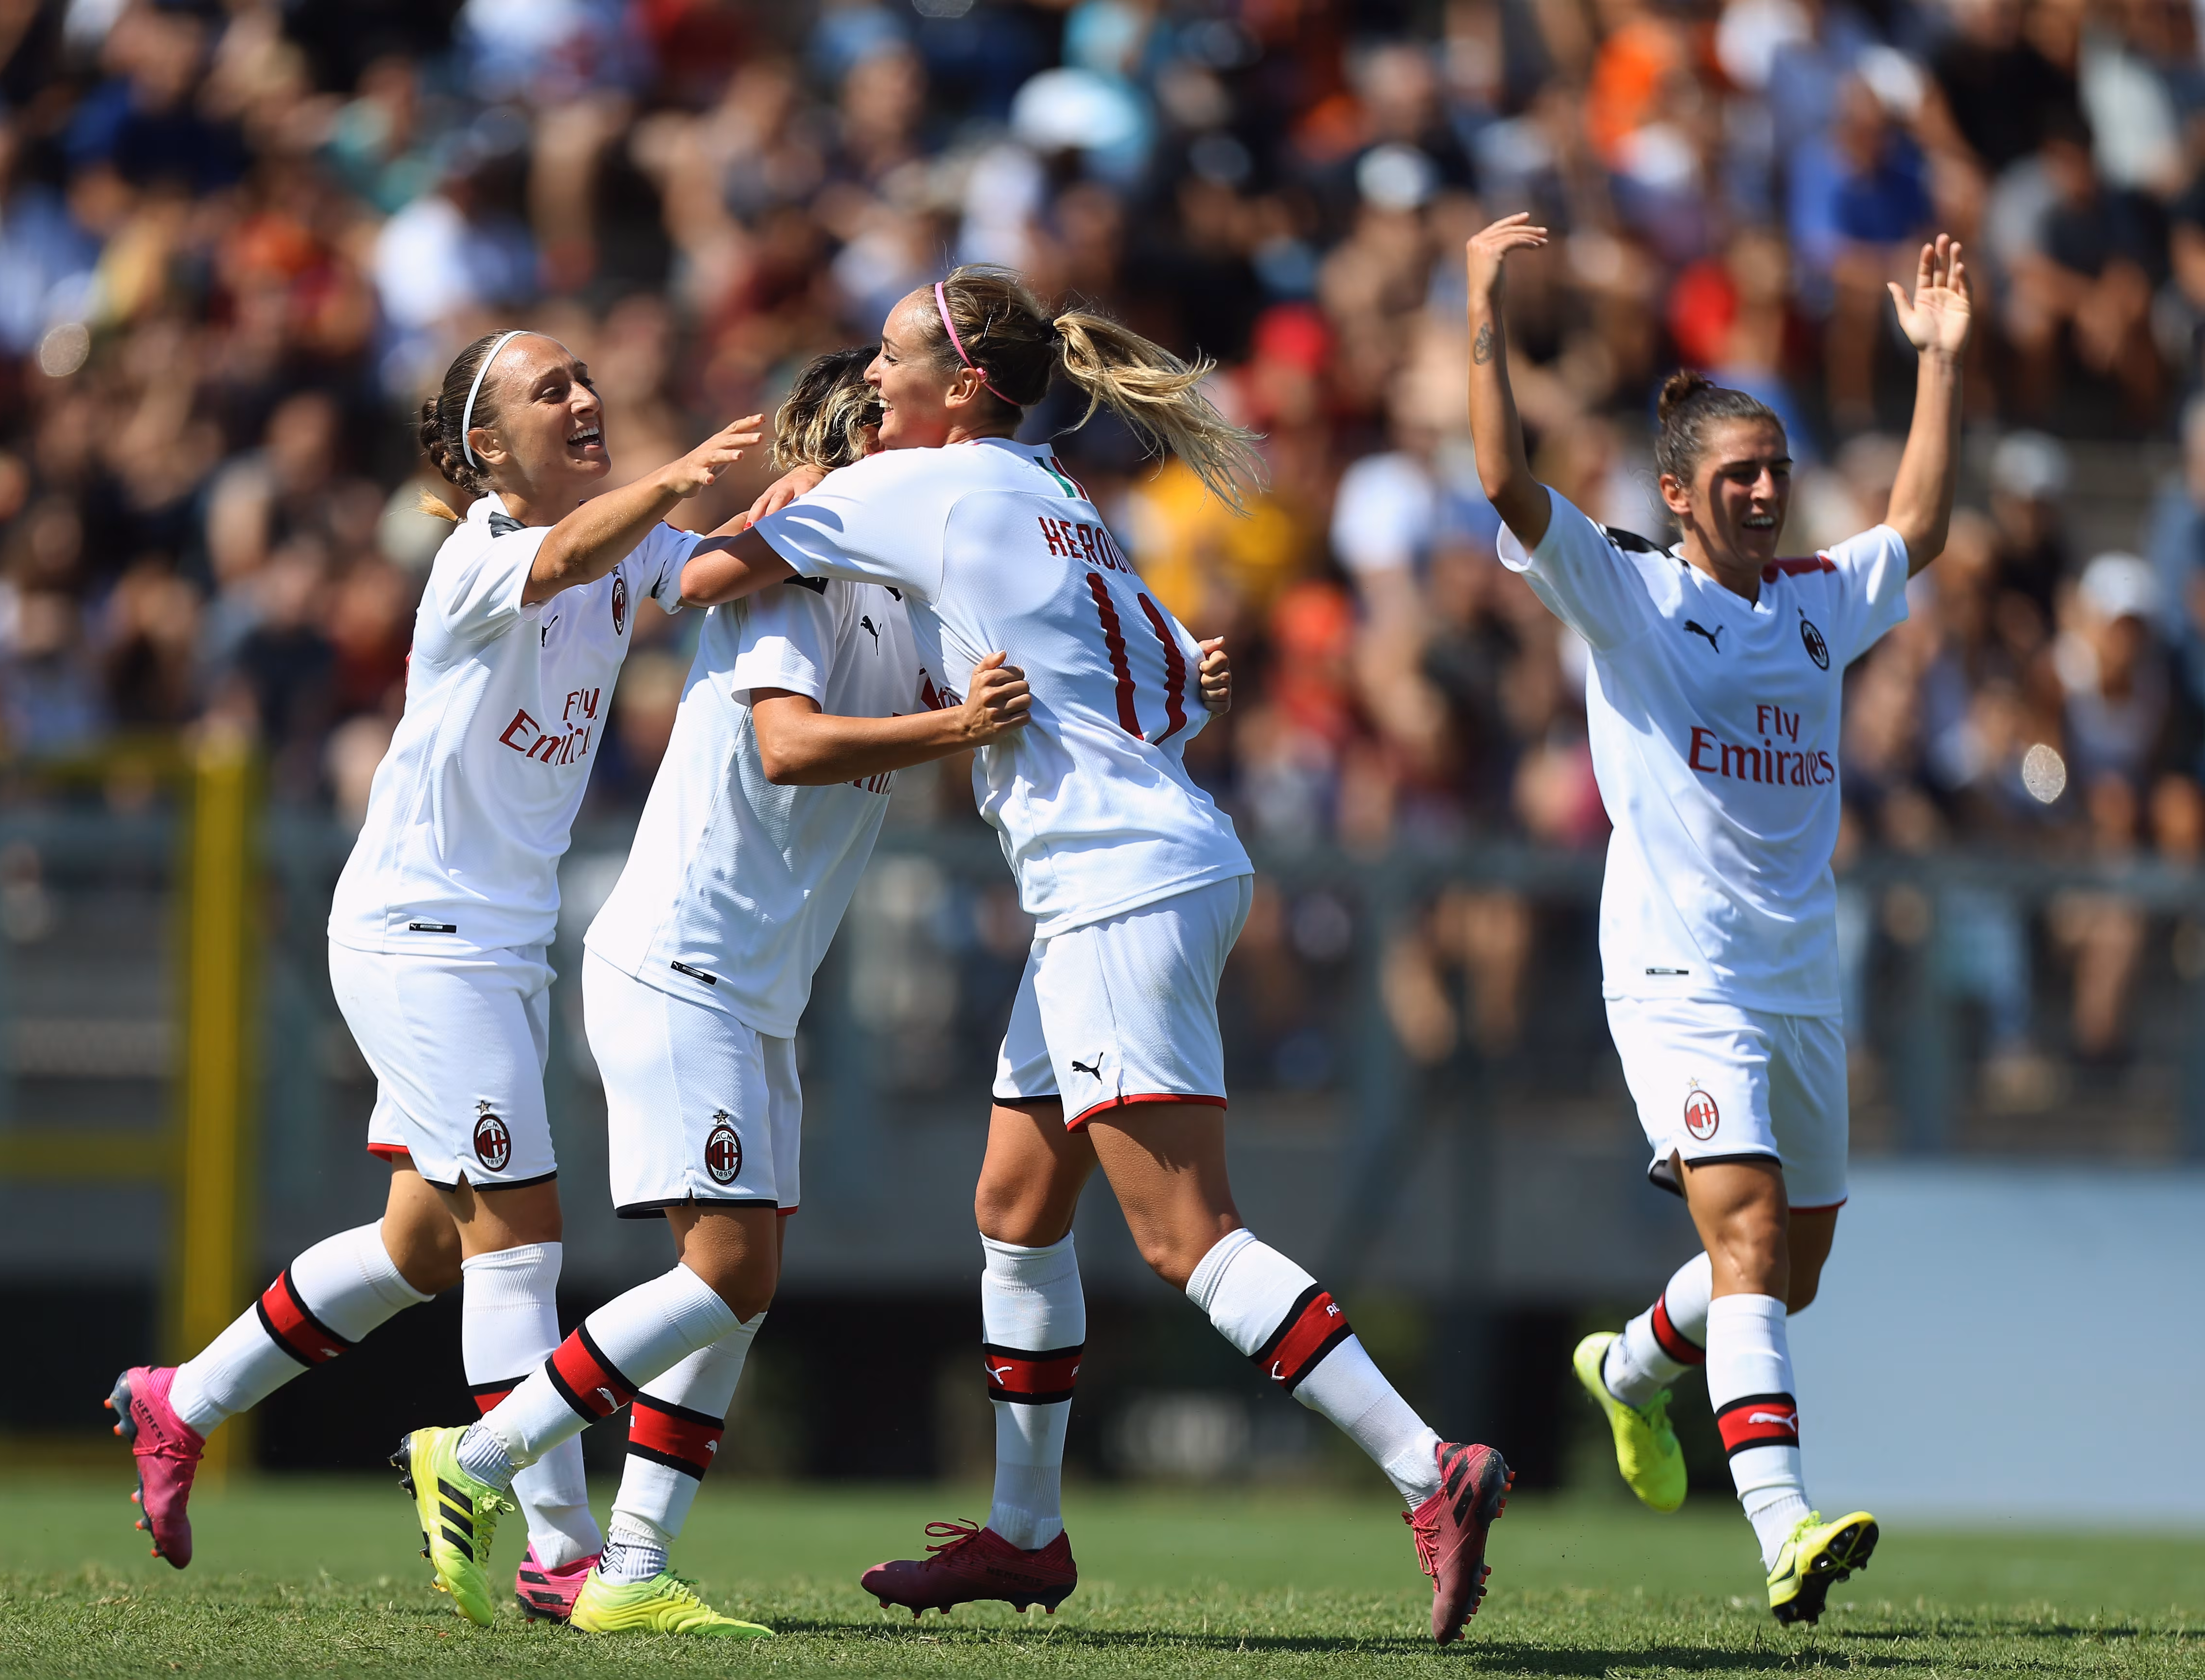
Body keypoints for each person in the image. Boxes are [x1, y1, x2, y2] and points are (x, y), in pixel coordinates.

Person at [645, 266, 1513, 1645]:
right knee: (1014, 1205)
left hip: (1115, 883)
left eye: (892, 359)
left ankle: (1429, 1468)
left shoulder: (916, 483)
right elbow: (1178, 681)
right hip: (1159, 859)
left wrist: (776, 500)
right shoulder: (1063, 496)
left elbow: (695, 581)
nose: (872, 378)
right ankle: (1026, 1532)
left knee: (1186, 1236)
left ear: (960, 386)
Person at [105, 330, 762, 1617]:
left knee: (420, 1244)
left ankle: (182, 1399)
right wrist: (679, 477)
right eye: (551, 390)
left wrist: (821, 508)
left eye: (585, 377)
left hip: (494, 944)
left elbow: (713, 571)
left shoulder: (621, 542)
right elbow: (573, 559)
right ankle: (561, 1555)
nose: (585, 397)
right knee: (519, 1240)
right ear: (487, 448)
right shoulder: (479, 558)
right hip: (423, 939)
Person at [1464, 213, 1970, 1623]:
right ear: (1679, 494)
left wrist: (1936, 362)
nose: (1764, 493)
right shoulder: (1628, 591)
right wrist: (1482, 309)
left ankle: (1629, 1367)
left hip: (1801, 979)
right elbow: (1502, 476)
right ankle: (1785, 1531)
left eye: (1777, 472)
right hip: (1680, 977)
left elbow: (1921, 528)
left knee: (1789, 1274)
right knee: (1747, 1242)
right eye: (1738, 475)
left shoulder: (1814, 604)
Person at [528, 347, 1040, 1636]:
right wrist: (954, 729)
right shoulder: (795, 564)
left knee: (735, 1296)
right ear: (856, 446)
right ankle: (482, 1453)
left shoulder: (895, 599)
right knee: (731, 1276)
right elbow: (788, 744)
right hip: (682, 964)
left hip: (757, 991)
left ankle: (633, 1568)